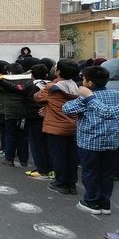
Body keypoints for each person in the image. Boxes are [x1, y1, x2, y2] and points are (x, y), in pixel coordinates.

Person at [62, 66, 119, 215]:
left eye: (83, 79)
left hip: (90, 141)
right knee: (107, 174)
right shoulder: (116, 94)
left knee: (90, 172)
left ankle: (91, 201)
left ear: (89, 83)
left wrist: (84, 96)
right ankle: (105, 204)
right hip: (112, 141)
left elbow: (67, 109)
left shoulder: (86, 99)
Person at [34, 58, 80, 195]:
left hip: (56, 127)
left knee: (58, 156)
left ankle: (61, 183)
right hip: (74, 126)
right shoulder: (76, 86)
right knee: (72, 157)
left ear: (58, 71)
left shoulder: (52, 87)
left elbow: (37, 97)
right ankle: (72, 184)